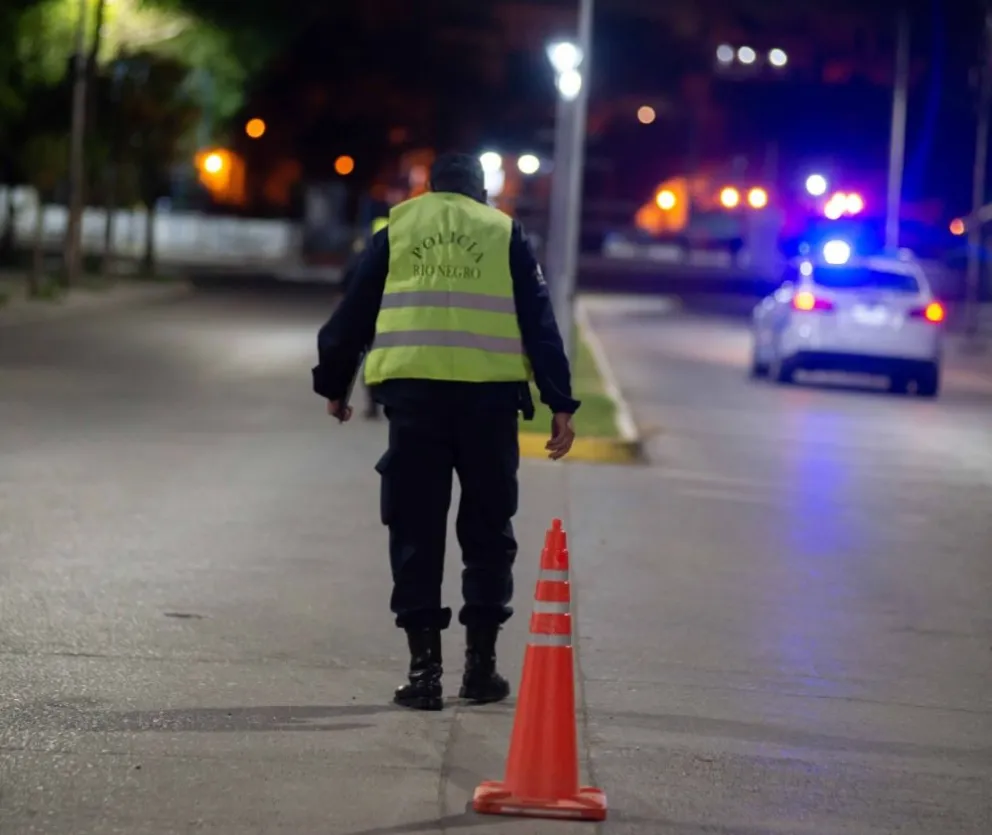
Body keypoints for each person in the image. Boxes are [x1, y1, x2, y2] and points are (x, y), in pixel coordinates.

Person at [312, 152, 579, 711]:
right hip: (488, 407)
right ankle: (480, 670)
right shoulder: (504, 231)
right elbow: (539, 321)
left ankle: (423, 673)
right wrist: (560, 401)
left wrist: (334, 383)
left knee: (415, 531)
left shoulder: (398, 227)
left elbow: (353, 314)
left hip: (415, 406)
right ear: (479, 193)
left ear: (432, 188)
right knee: (487, 531)